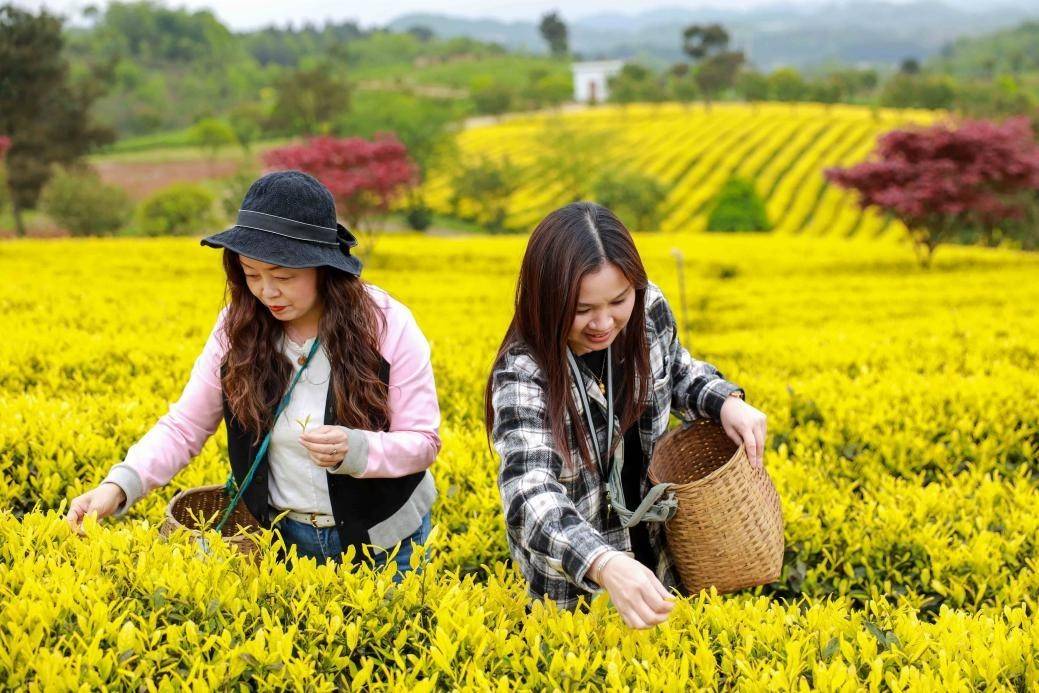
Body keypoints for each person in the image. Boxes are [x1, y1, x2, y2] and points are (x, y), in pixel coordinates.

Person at [65, 170, 441, 579]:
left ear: (324, 269)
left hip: (385, 541)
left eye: (283, 276)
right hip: (282, 542)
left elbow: (423, 442)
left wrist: (359, 450)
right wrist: (116, 488)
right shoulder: (238, 327)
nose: (266, 292)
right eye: (251, 273)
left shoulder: (387, 324)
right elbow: (185, 425)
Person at [485, 202, 767, 628]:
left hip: (663, 559)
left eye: (618, 300)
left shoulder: (648, 308)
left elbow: (674, 369)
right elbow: (529, 493)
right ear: (548, 301)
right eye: (581, 310)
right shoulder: (525, 372)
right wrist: (602, 561)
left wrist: (724, 401)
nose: (604, 323)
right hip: (580, 593)